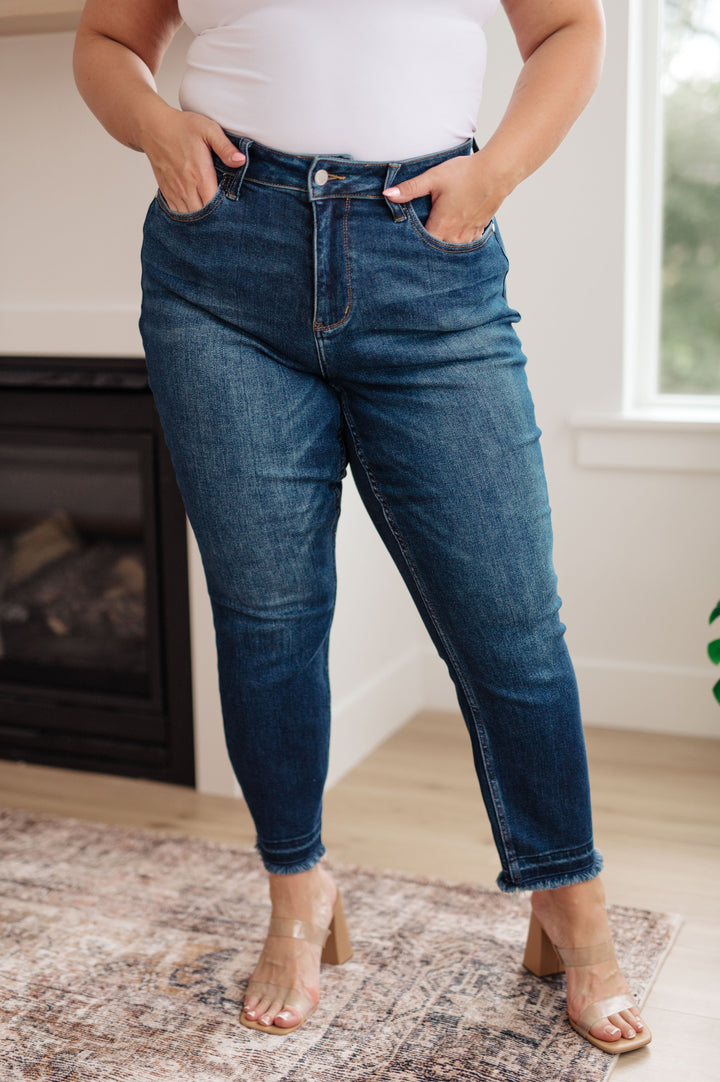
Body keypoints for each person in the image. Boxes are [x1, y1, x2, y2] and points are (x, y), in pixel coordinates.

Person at [73, 0, 650, 1054]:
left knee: (510, 618)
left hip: (427, 256)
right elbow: (107, 42)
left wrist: (496, 173)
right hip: (220, 268)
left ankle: (568, 893)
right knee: (267, 616)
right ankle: (297, 888)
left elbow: (570, 28)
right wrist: (154, 125)